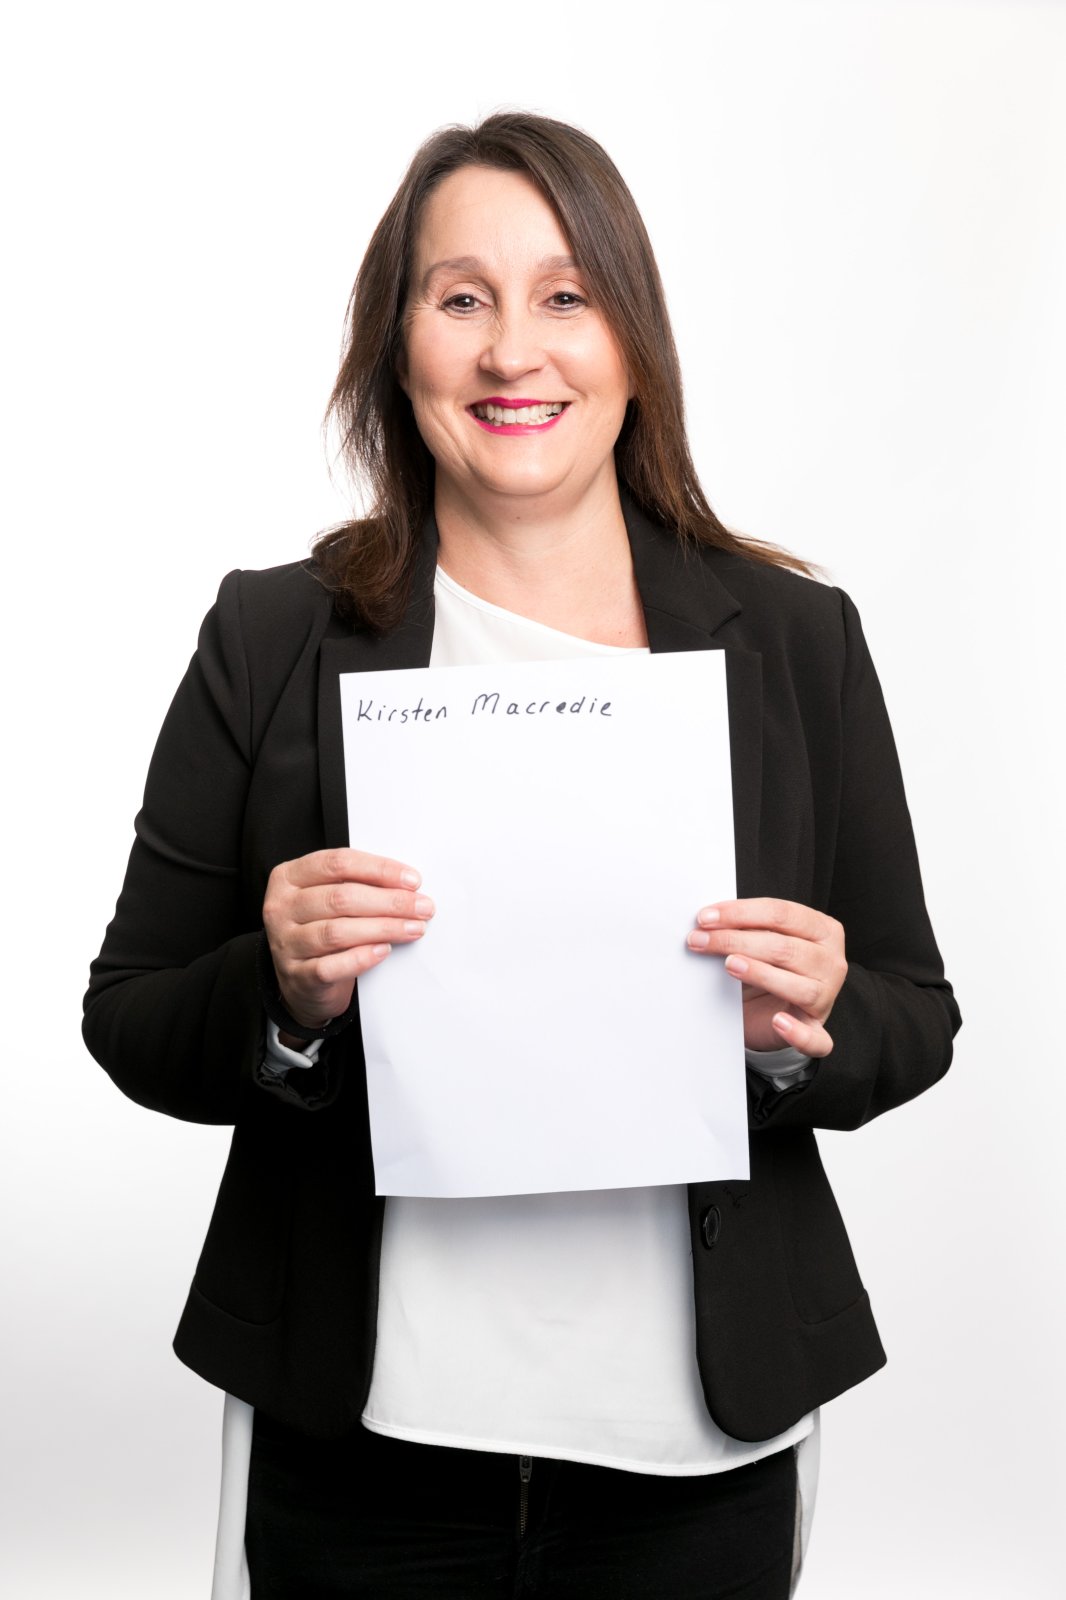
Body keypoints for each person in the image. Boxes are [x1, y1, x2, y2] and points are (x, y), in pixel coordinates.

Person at [83, 112, 960, 1600]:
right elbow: (131, 1016)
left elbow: (913, 1018)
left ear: (633, 341)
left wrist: (801, 1024)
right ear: (395, 344)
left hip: (696, 1448)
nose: (512, 352)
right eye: (460, 298)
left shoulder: (794, 638)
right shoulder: (274, 634)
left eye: (565, 296)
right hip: (361, 1434)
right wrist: (282, 994)